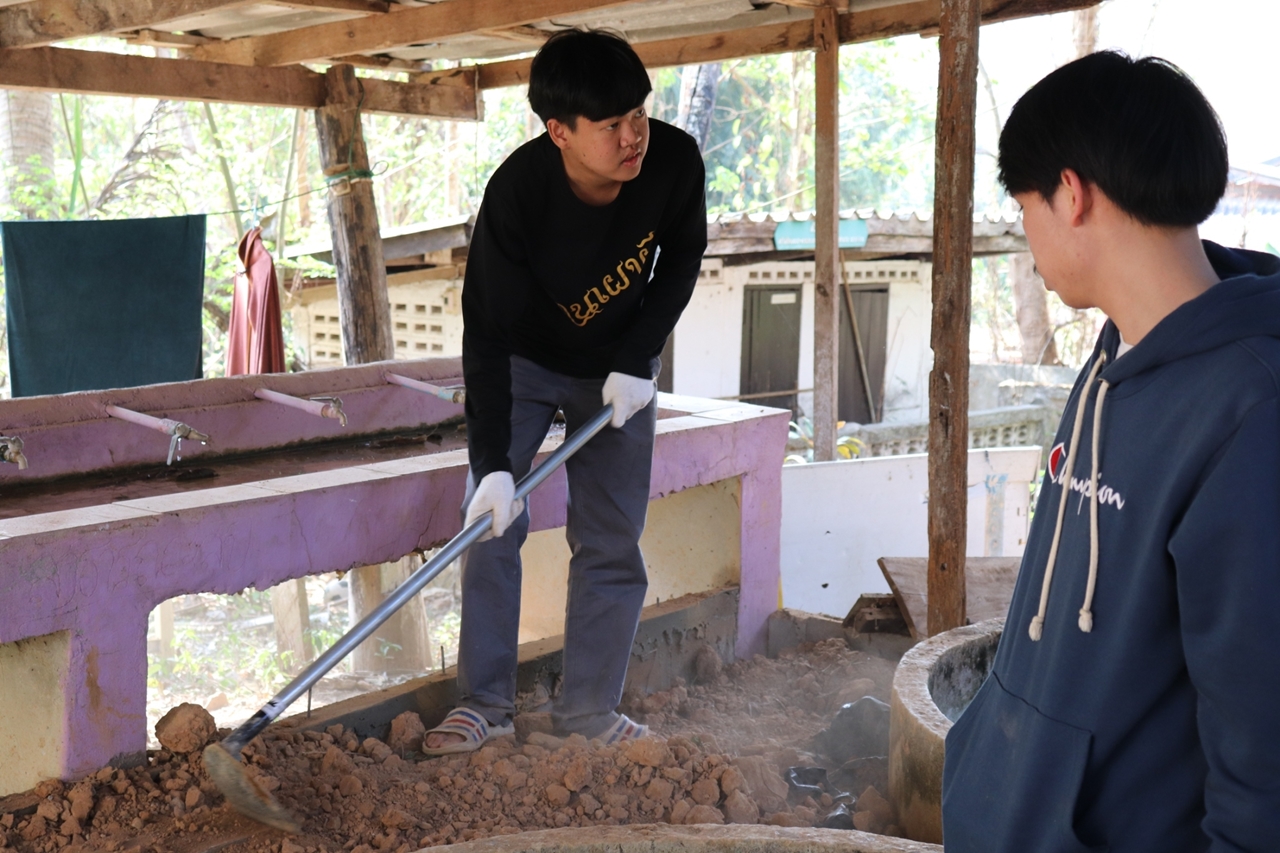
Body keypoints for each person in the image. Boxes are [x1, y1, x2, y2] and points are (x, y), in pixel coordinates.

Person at [942, 51, 1280, 851]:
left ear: (1071, 193)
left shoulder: (1250, 411)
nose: (1026, 234)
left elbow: (1261, 737)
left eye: (1024, 205)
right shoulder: (1113, 357)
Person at [422, 29, 706, 754]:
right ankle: (484, 704)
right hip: (523, 362)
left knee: (612, 538)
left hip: (616, 367)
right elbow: (484, 333)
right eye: (611, 125)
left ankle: (588, 711)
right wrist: (490, 463)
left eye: (638, 113)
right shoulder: (518, 195)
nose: (633, 134)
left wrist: (639, 357)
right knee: (490, 523)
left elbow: (681, 260)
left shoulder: (673, 162)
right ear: (560, 132)